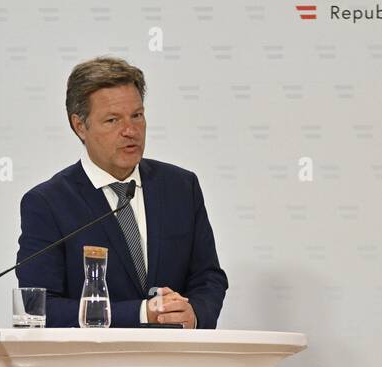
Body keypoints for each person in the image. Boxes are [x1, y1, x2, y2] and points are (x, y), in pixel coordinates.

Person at [16, 56, 229, 329]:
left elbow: (208, 277)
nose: (130, 131)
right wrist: (140, 313)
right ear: (80, 126)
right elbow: (39, 306)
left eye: (137, 116)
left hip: (174, 361)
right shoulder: (48, 203)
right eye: (112, 120)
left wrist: (195, 314)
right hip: (92, 366)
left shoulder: (180, 187)